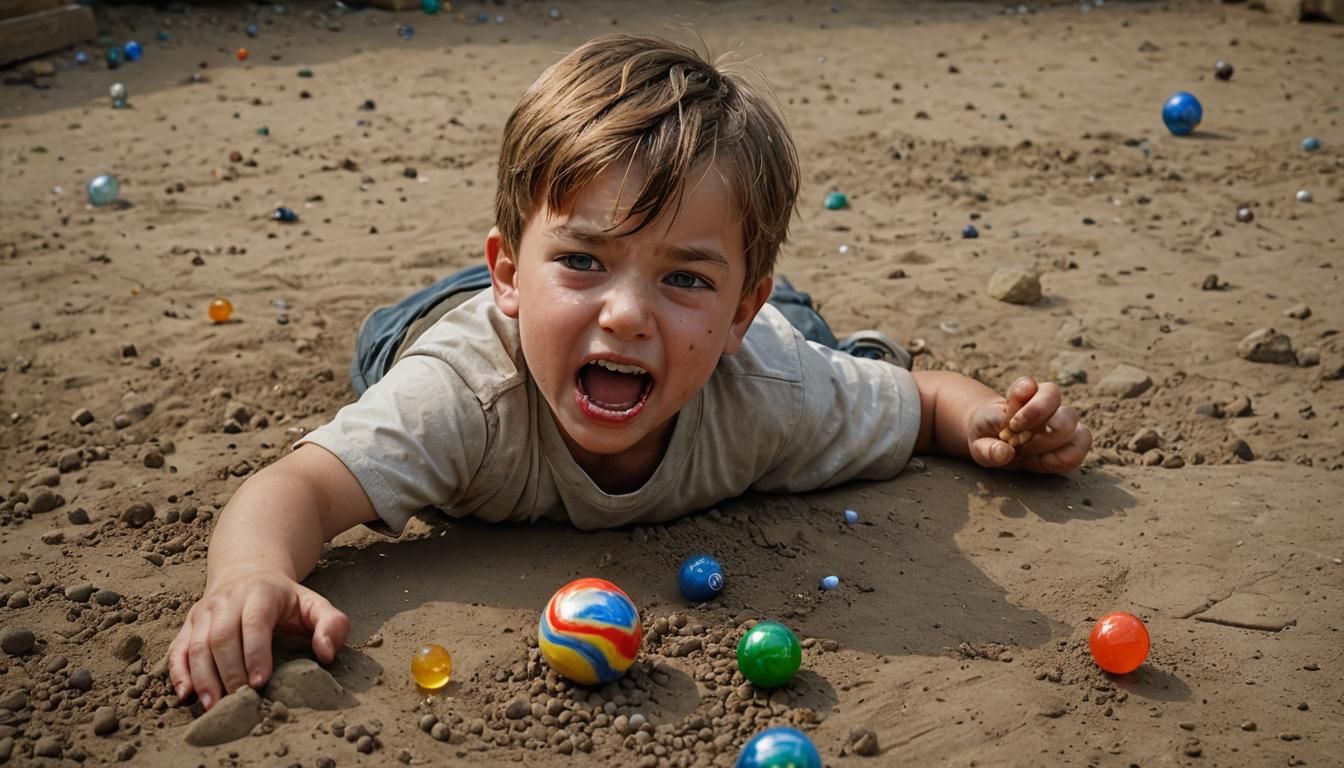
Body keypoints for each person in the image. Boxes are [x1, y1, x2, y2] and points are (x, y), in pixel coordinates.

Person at [169, 33, 1091, 710]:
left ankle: (677, 278)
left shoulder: (771, 391)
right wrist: (248, 576)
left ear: (739, 314)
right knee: (391, 348)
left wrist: (987, 421)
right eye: (586, 260)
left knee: (809, 340)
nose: (626, 313)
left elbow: (922, 402)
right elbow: (297, 486)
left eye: (683, 277)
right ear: (507, 275)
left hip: (723, 333)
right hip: (448, 324)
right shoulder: (460, 397)